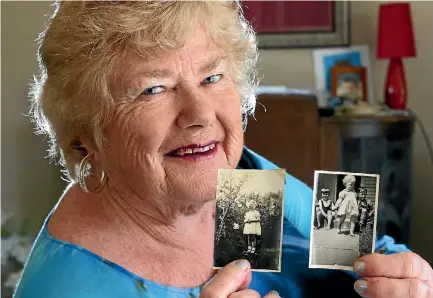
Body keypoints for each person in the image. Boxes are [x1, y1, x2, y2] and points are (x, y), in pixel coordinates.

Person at [13, 2, 433, 298]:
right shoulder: (65, 287)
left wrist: (407, 279)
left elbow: (374, 249)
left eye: (212, 77)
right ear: (86, 137)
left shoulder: (240, 179)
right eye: (153, 88)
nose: (199, 114)